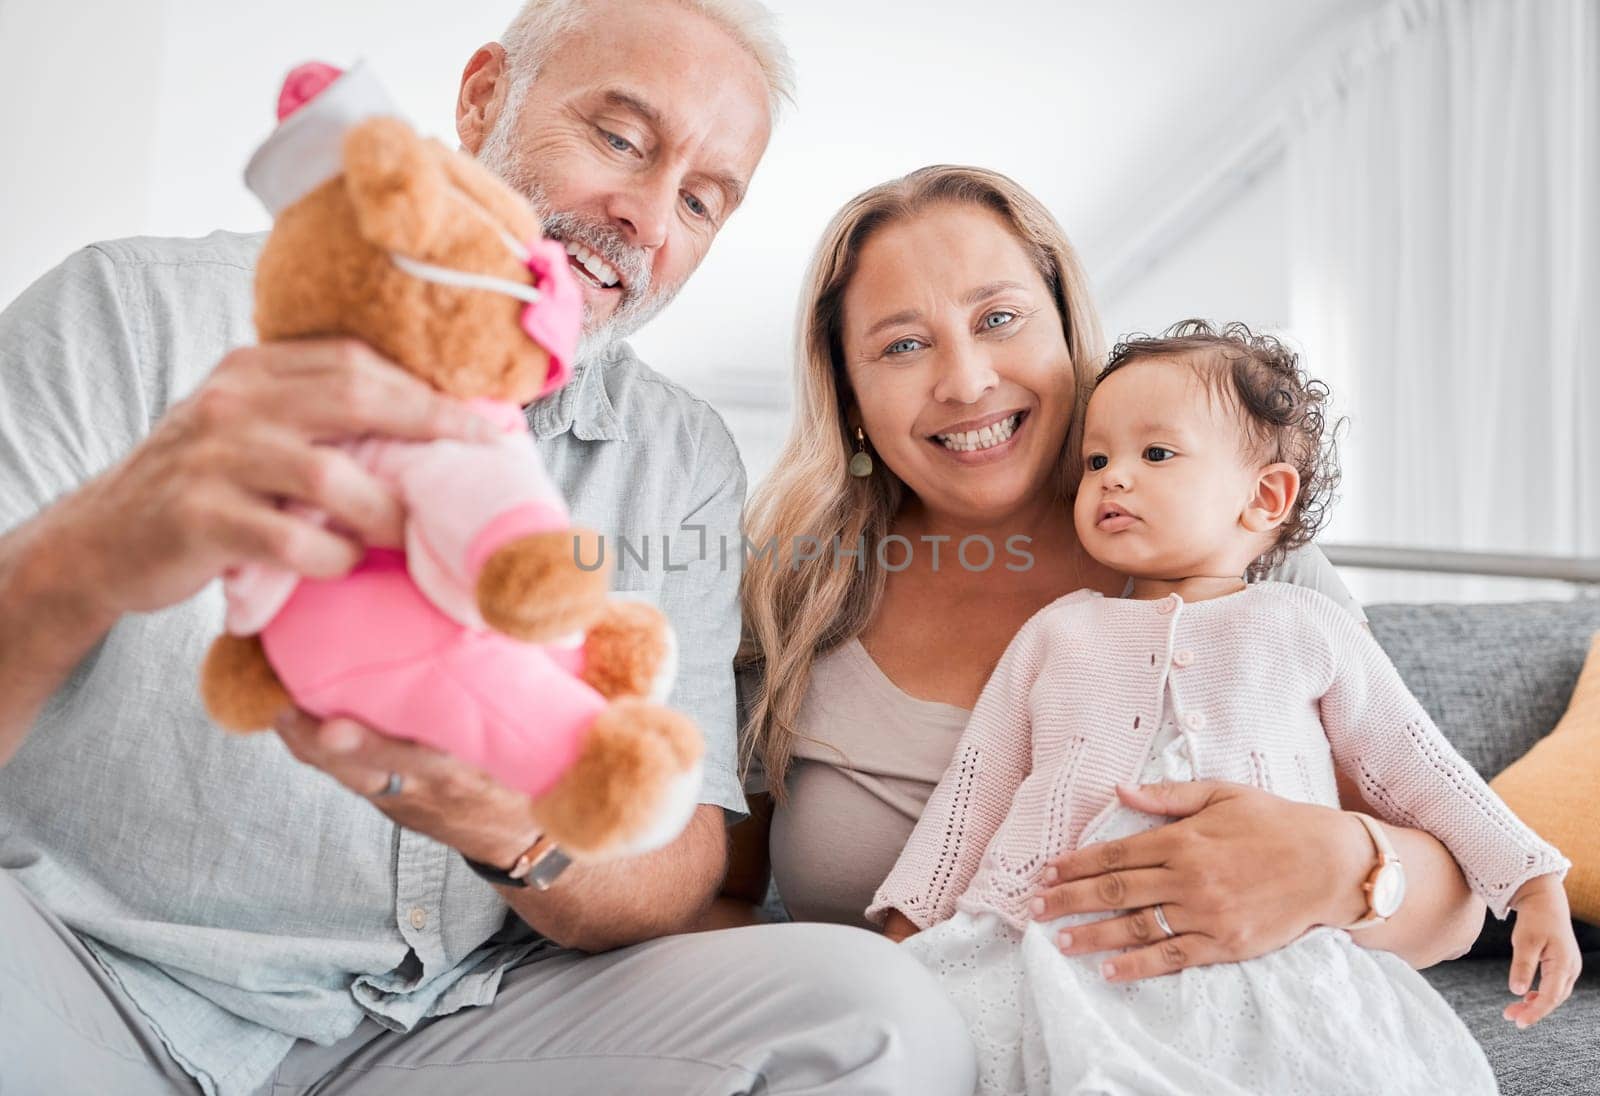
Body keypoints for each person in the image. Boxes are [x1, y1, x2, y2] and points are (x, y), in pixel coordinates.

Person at [0, 3, 975, 1094]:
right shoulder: (131, 311)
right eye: (619, 139)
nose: (645, 219)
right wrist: (89, 554)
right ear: (481, 101)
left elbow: (686, 836)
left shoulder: (681, 454)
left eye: (701, 200)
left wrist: (506, 826)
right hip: (90, 977)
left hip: (442, 1027)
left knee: (875, 1015)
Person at [721, 166, 1489, 996]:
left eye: (1000, 318)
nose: (967, 380)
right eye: (903, 344)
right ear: (848, 395)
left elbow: (1457, 909)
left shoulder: (1248, 561)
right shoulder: (793, 595)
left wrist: (1343, 865)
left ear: (1066, 328)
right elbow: (718, 900)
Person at [867, 321, 1580, 1094]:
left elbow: (1421, 770)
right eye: (1097, 460)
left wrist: (1535, 885)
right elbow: (975, 792)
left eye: (1156, 455)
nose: (1114, 478)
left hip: (1266, 952)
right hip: (1050, 945)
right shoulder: (1057, 632)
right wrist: (909, 936)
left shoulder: (1307, 626)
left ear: (1265, 495)